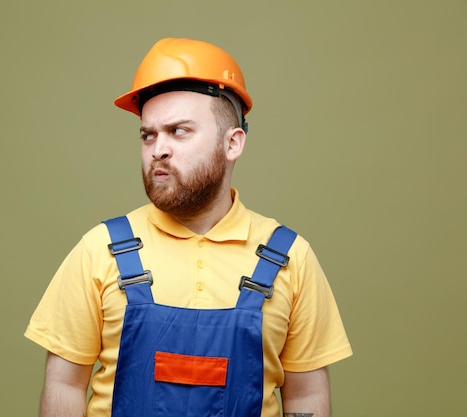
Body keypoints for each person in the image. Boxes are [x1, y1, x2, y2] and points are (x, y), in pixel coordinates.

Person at [25, 37, 352, 417]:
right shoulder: (100, 250)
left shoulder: (290, 258)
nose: (157, 149)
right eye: (148, 134)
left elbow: (305, 397)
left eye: (179, 131)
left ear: (233, 143)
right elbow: (64, 385)